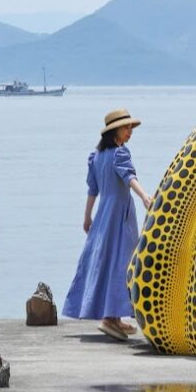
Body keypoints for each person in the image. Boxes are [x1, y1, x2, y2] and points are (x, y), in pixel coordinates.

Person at [63, 107, 151, 341]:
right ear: (114, 132)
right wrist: (144, 196)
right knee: (123, 260)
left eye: (130, 127)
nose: (129, 132)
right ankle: (110, 318)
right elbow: (129, 177)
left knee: (102, 261)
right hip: (120, 214)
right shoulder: (120, 154)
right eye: (126, 128)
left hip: (103, 213)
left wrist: (87, 216)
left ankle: (113, 318)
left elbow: (93, 189)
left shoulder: (96, 157)